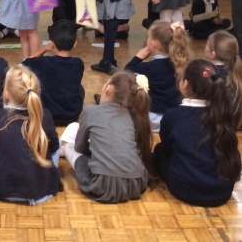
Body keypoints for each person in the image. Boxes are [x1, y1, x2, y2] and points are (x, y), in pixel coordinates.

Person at [153, 59, 241, 207]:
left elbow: (167, 146)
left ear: (185, 84)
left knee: (159, 150)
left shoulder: (173, 115)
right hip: (223, 191)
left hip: (185, 189)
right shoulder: (223, 113)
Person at [62, 71, 153, 204]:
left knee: (68, 147)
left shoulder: (90, 111)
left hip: (102, 185)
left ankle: (62, 151)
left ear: (108, 89)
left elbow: (80, 148)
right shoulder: (135, 115)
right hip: (136, 184)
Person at [0, 65, 62, 204]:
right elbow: (53, 147)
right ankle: (46, 173)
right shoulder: (45, 115)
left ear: (6, 93)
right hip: (41, 190)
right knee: (58, 143)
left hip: (1, 189)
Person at [124, 21, 190, 132]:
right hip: (176, 117)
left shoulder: (148, 68)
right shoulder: (182, 64)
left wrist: (138, 58)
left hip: (153, 119)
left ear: (154, 43)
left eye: (148, 37)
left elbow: (126, 74)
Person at [23, 19, 85, 126]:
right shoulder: (78, 63)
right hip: (72, 117)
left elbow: (25, 62)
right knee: (80, 88)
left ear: (51, 43)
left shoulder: (43, 62)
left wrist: (45, 49)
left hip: (46, 115)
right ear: (75, 44)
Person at [204, 30, 242, 129]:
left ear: (213, 54)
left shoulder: (208, 74)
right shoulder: (236, 72)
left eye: (207, 44)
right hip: (235, 123)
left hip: (215, 125)